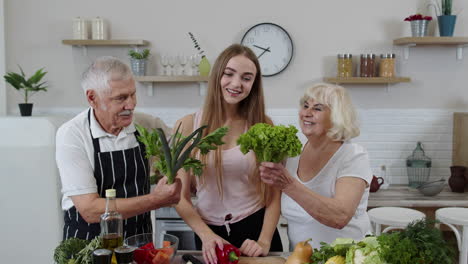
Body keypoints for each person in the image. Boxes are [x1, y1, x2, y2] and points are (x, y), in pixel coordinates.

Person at [174, 44, 283, 264]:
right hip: (208, 236)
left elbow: (274, 193)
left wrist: (263, 241)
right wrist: (207, 236)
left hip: (255, 230)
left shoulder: (263, 125)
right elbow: (179, 197)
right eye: (229, 74)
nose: (236, 84)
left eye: (246, 77)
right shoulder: (188, 126)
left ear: (254, 84)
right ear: (217, 76)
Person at [56, 56, 181, 240]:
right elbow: (90, 210)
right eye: (121, 98)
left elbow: (182, 152)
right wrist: (155, 200)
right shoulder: (72, 135)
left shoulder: (146, 125)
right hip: (89, 245)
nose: (131, 105)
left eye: (133, 94)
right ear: (92, 98)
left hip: (139, 241)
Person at [259, 83, 372, 249]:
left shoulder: (353, 156)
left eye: (317, 108)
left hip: (346, 257)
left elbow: (339, 217)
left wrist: (289, 185)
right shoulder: (293, 154)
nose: (306, 113)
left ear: (337, 116)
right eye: (305, 106)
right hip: (300, 258)